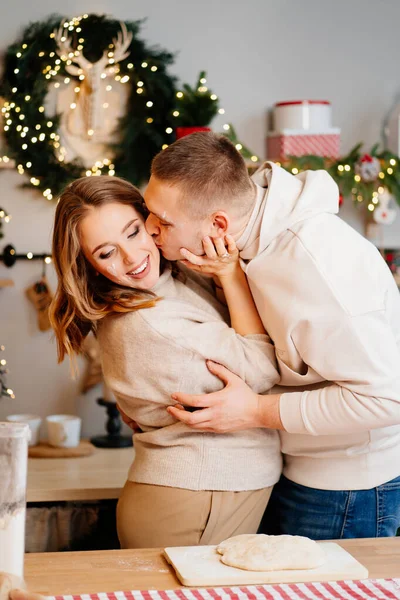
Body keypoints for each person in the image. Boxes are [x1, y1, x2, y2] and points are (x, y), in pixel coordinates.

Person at [142, 131, 400, 539]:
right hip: (294, 466)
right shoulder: (242, 242)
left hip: (348, 488)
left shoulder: (315, 264)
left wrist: (254, 412)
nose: (149, 228)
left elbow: (388, 397)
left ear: (218, 223)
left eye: (163, 221)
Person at [49, 175, 282, 549]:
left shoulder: (168, 279)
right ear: (89, 265)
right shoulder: (150, 321)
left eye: (134, 232)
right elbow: (264, 366)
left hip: (204, 491)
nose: (133, 257)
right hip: (192, 500)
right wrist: (231, 273)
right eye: (106, 253)